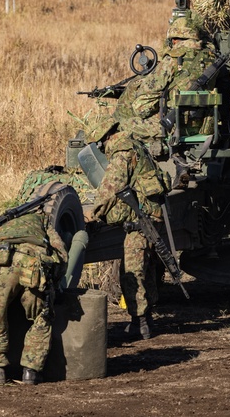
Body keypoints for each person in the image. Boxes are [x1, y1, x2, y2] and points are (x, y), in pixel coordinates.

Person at [0, 178, 69, 385]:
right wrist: (54, 283)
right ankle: (31, 371)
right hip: (33, 269)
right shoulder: (42, 221)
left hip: (3, 267)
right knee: (41, 317)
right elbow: (62, 255)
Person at [91, 128, 169, 339]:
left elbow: (110, 187)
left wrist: (94, 213)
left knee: (132, 272)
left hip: (140, 220)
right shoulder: (136, 146)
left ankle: (140, 323)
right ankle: (148, 318)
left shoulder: (122, 153)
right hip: (153, 216)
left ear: (105, 138)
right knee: (148, 266)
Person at [113, 8, 217, 159]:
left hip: (174, 127)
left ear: (175, 39)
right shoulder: (211, 59)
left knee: (120, 124)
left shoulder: (172, 60)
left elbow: (142, 107)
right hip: (204, 127)